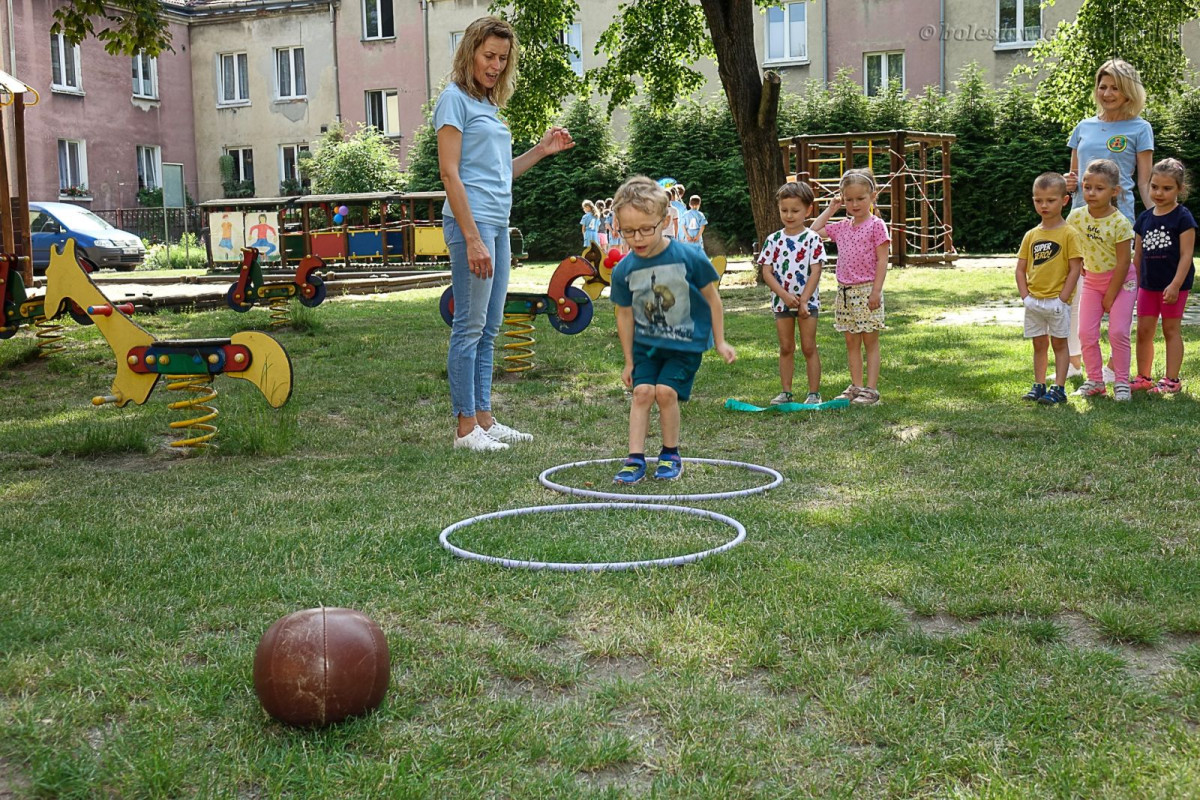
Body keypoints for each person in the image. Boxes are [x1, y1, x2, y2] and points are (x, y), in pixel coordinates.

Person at [435, 15, 574, 452]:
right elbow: (450, 174)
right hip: (469, 225)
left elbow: (500, 174)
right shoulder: (453, 100)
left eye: (503, 58)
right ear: (470, 52)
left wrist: (541, 149)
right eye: (488, 55)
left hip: (497, 224)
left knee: (490, 326)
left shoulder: (490, 108)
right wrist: (472, 237)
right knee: (469, 327)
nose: (495, 65)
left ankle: (484, 419)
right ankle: (464, 429)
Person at [609, 175, 736, 484]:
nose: (637, 238)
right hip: (646, 345)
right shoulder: (625, 268)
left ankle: (670, 454)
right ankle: (634, 459)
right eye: (628, 231)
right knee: (641, 392)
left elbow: (713, 299)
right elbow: (623, 315)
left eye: (645, 229)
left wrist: (719, 341)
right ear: (617, 227)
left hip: (685, 344)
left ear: (664, 220)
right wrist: (628, 360)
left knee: (665, 392)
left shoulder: (689, 256)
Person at [1063, 59, 1155, 379]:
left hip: (1119, 221)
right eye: (1103, 86)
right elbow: (1073, 175)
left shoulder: (1140, 128)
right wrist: (1068, 183)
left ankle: (1117, 365)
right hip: (1081, 221)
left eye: (1115, 87)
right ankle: (1077, 364)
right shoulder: (1083, 127)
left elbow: (1143, 181)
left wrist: (1154, 216)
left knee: (1118, 291)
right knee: (1077, 289)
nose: (1107, 92)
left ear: (1129, 91)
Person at [811, 168, 890, 405]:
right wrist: (832, 208)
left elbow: (883, 260)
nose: (854, 204)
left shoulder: (877, 225)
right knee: (851, 341)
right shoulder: (842, 227)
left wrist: (876, 291)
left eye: (860, 198)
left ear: (872, 197)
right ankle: (856, 386)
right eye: (849, 199)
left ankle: (871, 390)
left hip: (867, 291)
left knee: (870, 340)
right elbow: (813, 232)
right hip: (844, 293)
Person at [1067, 158, 1137, 401]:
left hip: (1122, 282)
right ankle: (1095, 380)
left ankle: (1121, 382)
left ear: (1114, 191)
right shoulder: (1076, 218)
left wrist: (1110, 295)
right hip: (1093, 281)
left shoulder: (1120, 223)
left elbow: (1124, 262)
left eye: (1099, 188)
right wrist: (1079, 266)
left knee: (1118, 331)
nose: (1091, 193)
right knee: (1086, 332)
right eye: (1087, 187)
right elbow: (1069, 246)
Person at [1015, 173, 1084, 405]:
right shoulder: (1031, 235)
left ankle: (1059, 388)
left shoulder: (1069, 233)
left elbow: (1076, 268)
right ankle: (1039, 384)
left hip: (1057, 302)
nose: (1044, 205)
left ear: (1064, 201)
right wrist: (1025, 297)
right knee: (1038, 343)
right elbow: (1020, 269)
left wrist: (1063, 298)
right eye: (1038, 200)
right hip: (1034, 302)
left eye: (1050, 200)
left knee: (1059, 343)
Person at [757, 181, 825, 405]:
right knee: (786, 347)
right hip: (781, 304)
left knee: (808, 347)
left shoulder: (813, 239)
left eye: (795, 211)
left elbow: (816, 271)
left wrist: (804, 300)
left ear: (808, 210)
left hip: (809, 304)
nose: (789, 215)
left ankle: (813, 393)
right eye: (784, 210)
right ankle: (786, 392)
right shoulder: (773, 240)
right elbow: (766, 272)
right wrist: (785, 296)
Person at [1132, 157, 1196, 394]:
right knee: (1144, 331)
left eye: (1167, 188)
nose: (1159, 192)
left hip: (1174, 286)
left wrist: (1176, 284)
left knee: (1171, 330)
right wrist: (1133, 286)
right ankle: (1143, 376)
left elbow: (1186, 255)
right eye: (1154, 186)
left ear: (1180, 189)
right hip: (1148, 286)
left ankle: (1172, 380)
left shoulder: (1183, 217)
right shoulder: (1144, 219)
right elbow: (1137, 257)